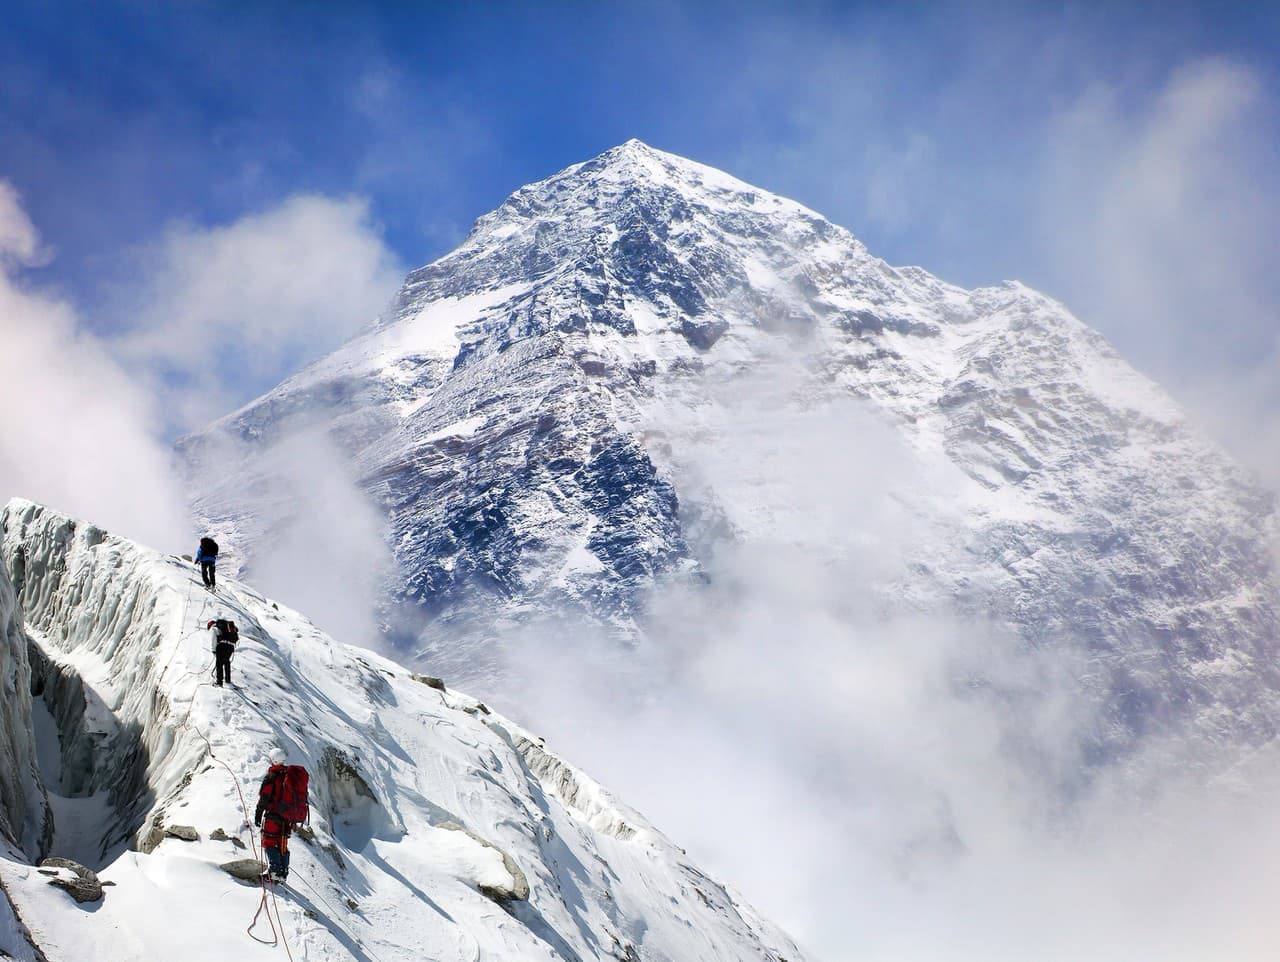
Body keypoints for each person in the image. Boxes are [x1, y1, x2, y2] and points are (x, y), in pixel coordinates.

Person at [254, 752, 308, 884]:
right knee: (282, 844)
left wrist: (258, 813)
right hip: (287, 818)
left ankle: (274, 873)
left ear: (273, 760)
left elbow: (265, 797)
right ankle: (283, 873)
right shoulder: (290, 775)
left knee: (269, 842)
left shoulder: (272, 776)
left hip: (273, 816)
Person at [207, 618, 238, 687]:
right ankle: (228, 680)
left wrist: (213, 650)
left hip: (221, 646)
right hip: (230, 647)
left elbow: (214, 639)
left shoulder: (214, 628)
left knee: (219, 664)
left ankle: (219, 682)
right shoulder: (226, 627)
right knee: (227, 662)